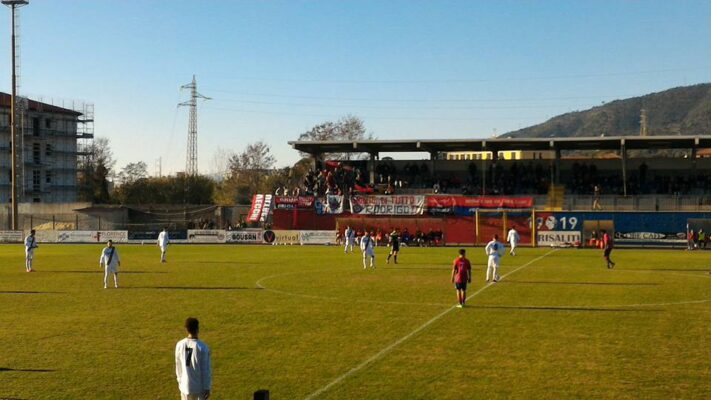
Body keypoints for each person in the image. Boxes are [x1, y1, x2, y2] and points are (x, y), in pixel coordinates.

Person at [175, 317, 212, 400]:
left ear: (186, 329)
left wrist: (180, 382)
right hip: (199, 388)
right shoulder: (203, 347)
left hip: (185, 386)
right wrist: (207, 387)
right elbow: (206, 370)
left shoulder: (179, 345)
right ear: (197, 329)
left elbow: (178, 366)